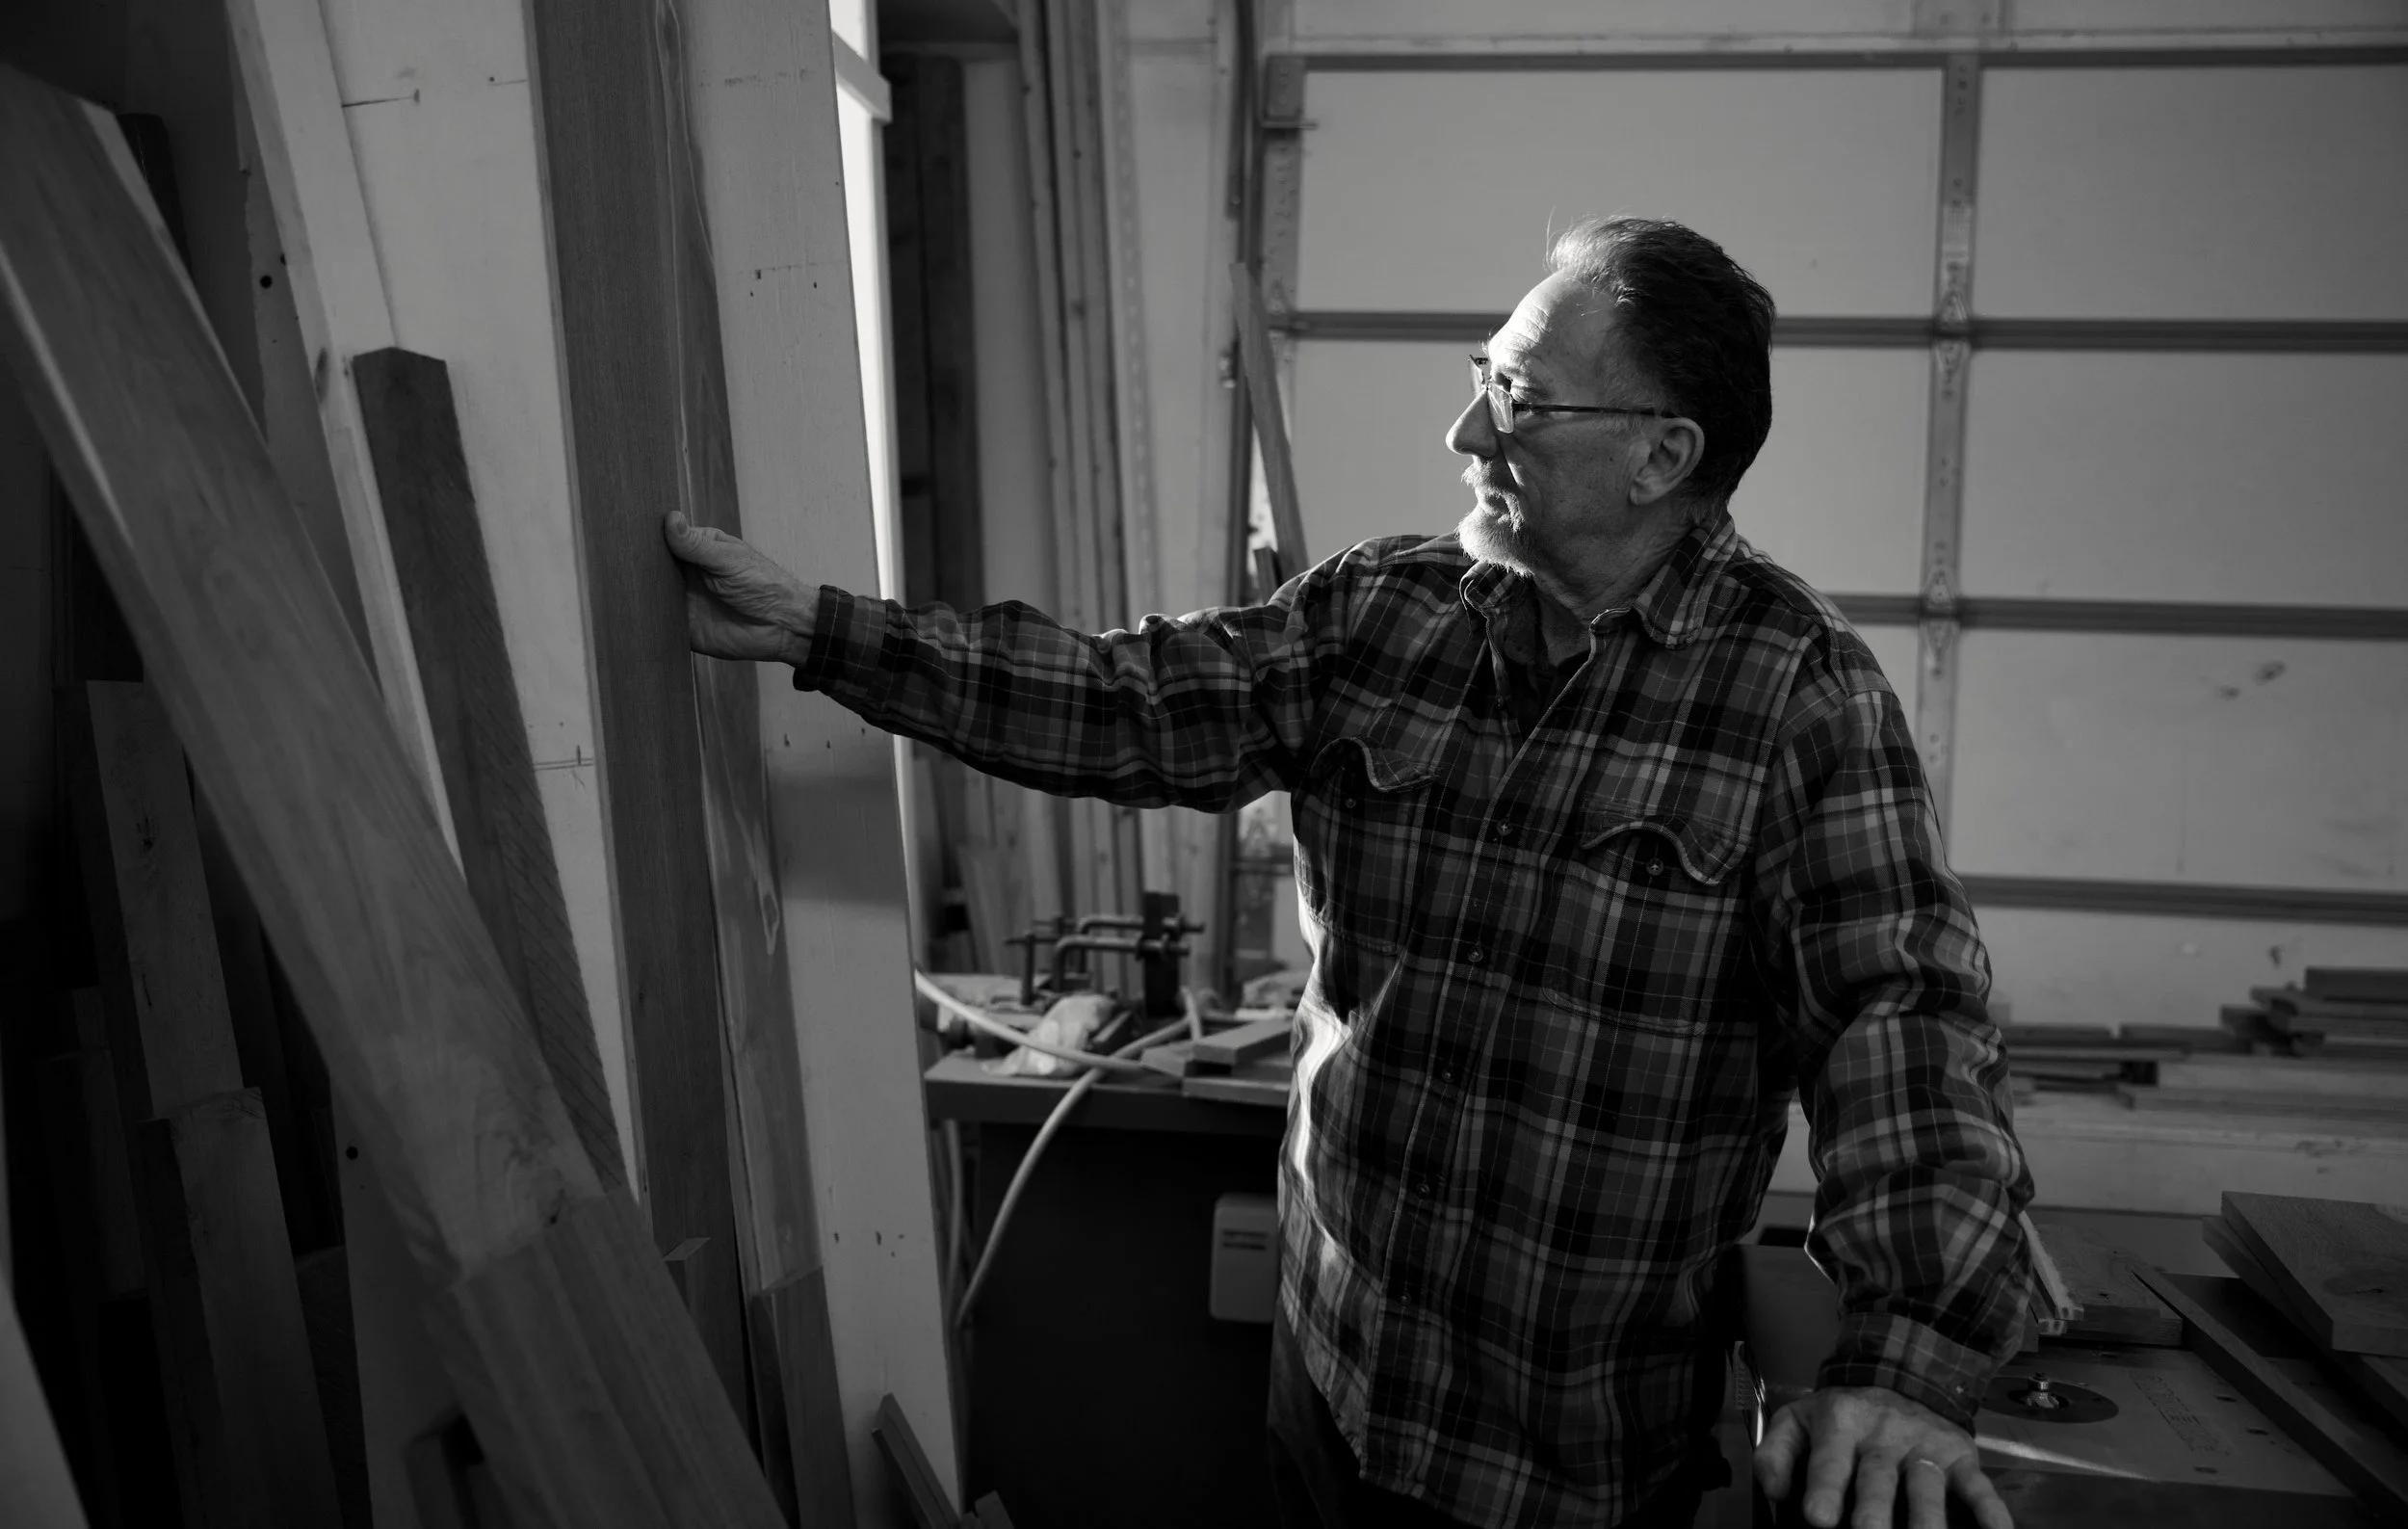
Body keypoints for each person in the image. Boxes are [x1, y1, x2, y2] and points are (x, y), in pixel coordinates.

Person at [667, 214, 2030, 1529]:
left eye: (1518, 397)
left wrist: (1908, 1362)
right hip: (1333, 1378)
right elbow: (1123, 700)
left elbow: (1902, 1021)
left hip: (1566, 1463)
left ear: (1661, 455)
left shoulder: (1798, 697)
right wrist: (823, 632)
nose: (1467, 432)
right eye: (1483, 376)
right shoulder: (1380, 615)